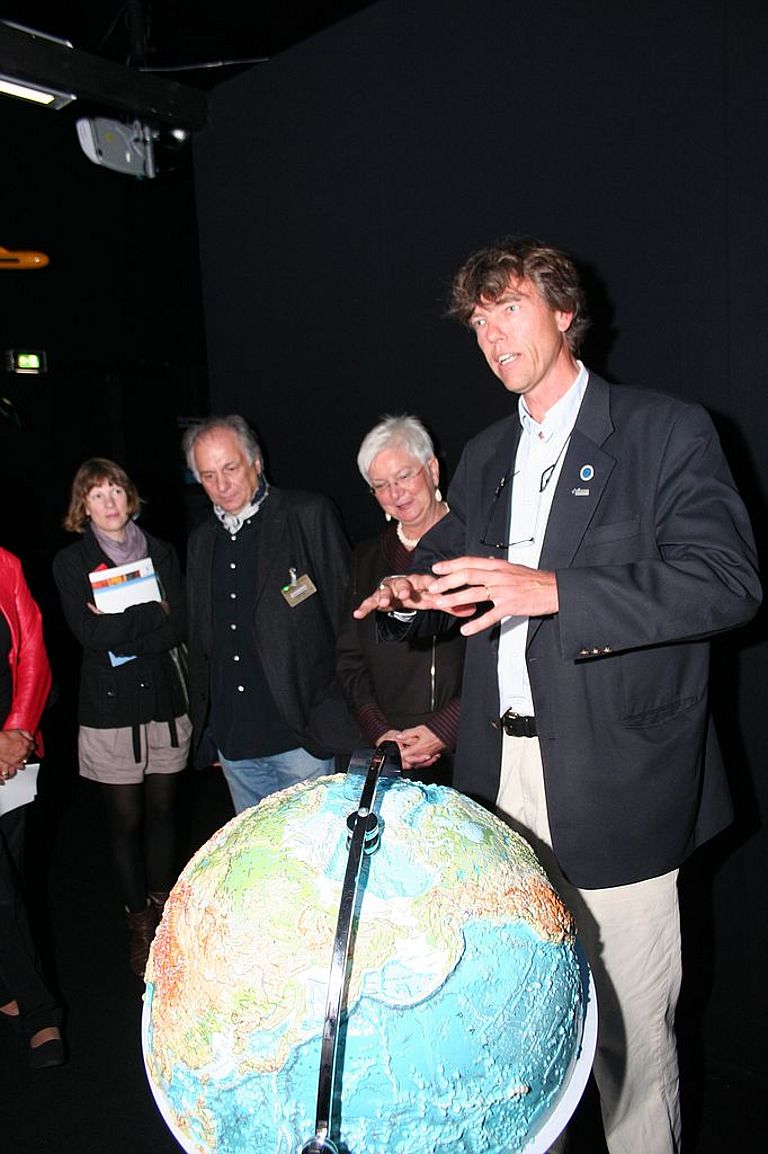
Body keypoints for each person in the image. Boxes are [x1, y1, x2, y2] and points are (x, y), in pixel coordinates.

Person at [353, 237, 761, 1154]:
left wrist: (557, 590)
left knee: (627, 1046)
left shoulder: (665, 430)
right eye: (479, 321)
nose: (493, 335)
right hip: (502, 779)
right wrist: (419, 595)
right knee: (524, 1014)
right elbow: (475, 586)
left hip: (620, 781)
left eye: (510, 310)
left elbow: (728, 582)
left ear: (565, 311)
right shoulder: (490, 452)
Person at [53, 459, 191, 978]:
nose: (109, 502)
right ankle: (137, 923)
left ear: (129, 497)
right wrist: (149, 612)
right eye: (97, 495)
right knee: (123, 821)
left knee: (163, 814)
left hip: (162, 701)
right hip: (109, 712)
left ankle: (162, 913)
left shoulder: (162, 552)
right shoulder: (72, 562)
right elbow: (91, 638)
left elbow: (177, 627)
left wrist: (126, 621)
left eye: (116, 491)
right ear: (82, 506)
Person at [182, 415, 358, 815]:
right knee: (259, 869)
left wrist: (336, 716)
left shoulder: (306, 515)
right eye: (208, 475)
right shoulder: (200, 542)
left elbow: (348, 621)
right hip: (235, 746)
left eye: (230, 468)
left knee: (313, 863)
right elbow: (201, 644)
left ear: (256, 462)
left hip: (302, 739)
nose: (222, 484)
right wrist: (210, 729)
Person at [336, 415, 464, 778]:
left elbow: (506, 660)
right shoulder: (366, 558)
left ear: (433, 470)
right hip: (390, 750)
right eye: (381, 484)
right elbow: (349, 660)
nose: (396, 493)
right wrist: (381, 732)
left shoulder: (478, 547)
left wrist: (445, 730)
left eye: (405, 476)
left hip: (468, 745)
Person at [0, 546, 65, 1068]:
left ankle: (7, 978)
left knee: (13, 877)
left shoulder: (5, 564)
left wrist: (18, 729)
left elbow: (32, 651)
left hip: (10, 756)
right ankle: (43, 1014)